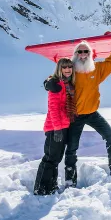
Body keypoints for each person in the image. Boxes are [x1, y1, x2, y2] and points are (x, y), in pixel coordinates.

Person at [44, 34, 111, 187]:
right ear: (75, 54)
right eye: (79, 52)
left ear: (90, 54)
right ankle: (70, 180)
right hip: (75, 116)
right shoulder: (71, 70)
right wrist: (48, 82)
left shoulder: (97, 69)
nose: (82, 55)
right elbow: (57, 75)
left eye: (86, 52)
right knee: (72, 149)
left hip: (93, 113)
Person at [34, 58, 77, 195]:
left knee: (56, 159)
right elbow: (53, 108)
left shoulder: (67, 84)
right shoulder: (56, 84)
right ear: (59, 69)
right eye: (64, 67)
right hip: (55, 127)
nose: (67, 69)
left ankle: (51, 187)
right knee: (50, 158)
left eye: (69, 67)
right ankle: (40, 189)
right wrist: (57, 128)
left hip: (63, 126)